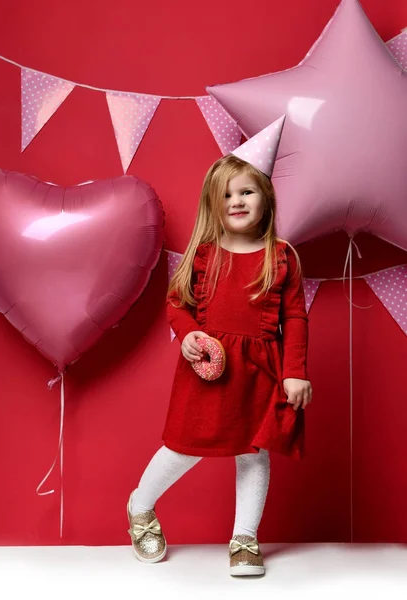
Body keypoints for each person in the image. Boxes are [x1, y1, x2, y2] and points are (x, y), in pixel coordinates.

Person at [126, 116, 313, 577]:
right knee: (183, 446)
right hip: (209, 370)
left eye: (246, 191)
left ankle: (245, 539)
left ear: (265, 198)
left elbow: (295, 317)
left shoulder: (282, 255)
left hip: (261, 371)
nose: (236, 200)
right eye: (227, 194)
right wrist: (188, 332)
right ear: (214, 202)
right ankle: (140, 505)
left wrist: (295, 371)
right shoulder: (205, 254)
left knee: (254, 451)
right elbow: (177, 303)